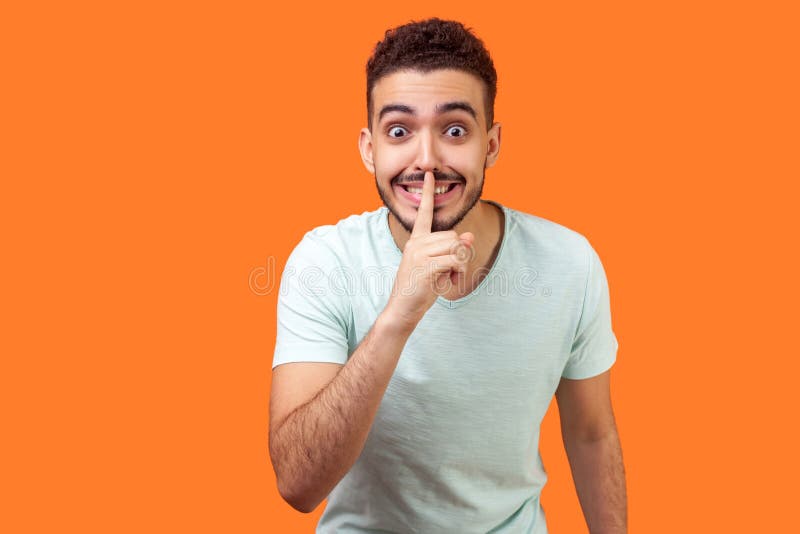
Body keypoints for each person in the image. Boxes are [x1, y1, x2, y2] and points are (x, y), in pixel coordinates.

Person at [269, 18, 627, 533]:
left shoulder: (571, 262)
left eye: (455, 130)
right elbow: (297, 485)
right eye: (399, 131)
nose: (428, 160)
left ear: (492, 144)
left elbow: (592, 433)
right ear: (370, 149)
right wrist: (399, 314)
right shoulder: (323, 263)